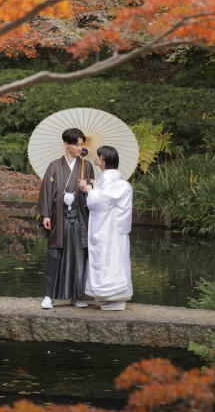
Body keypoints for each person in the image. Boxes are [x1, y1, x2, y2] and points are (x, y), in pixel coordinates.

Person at [36, 128, 96, 309]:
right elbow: (46, 191)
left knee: (79, 256)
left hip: (79, 216)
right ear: (66, 144)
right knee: (54, 255)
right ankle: (49, 296)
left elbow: (93, 196)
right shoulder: (54, 166)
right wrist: (46, 214)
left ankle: (77, 296)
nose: (80, 148)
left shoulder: (87, 166)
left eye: (82, 144)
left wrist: (85, 190)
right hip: (58, 217)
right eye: (77, 145)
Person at [79, 145, 133, 311]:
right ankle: (113, 298)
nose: (94, 157)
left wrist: (89, 190)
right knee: (115, 261)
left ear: (104, 160)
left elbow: (98, 203)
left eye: (97, 155)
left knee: (111, 261)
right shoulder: (113, 181)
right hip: (115, 231)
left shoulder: (110, 180)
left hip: (110, 232)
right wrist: (94, 189)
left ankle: (114, 298)